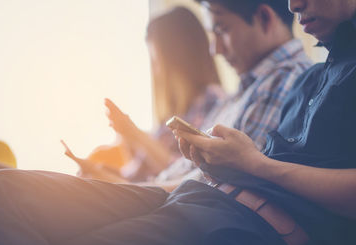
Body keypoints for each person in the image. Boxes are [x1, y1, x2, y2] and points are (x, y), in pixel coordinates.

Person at [0, 0, 356, 245]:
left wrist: (255, 165)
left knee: (41, 242)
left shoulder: (290, 76)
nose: (294, 4)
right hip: (196, 197)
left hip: (232, 220)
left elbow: (264, 171)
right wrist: (234, 164)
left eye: (221, 30)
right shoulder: (311, 79)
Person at [79, 0, 312, 188]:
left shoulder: (283, 80)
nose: (216, 50)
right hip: (165, 193)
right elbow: (191, 169)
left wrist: (127, 189)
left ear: (264, 18)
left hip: (181, 205)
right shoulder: (245, 89)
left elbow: (220, 182)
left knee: (51, 195)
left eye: (222, 29)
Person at [79, 7, 222, 182]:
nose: (156, 72)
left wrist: (136, 135)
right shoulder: (172, 114)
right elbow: (134, 174)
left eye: (156, 62)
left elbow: (187, 172)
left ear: (179, 59)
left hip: (164, 197)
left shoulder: (213, 102)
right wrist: (107, 171)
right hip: (142, 192)